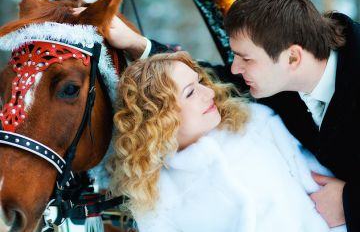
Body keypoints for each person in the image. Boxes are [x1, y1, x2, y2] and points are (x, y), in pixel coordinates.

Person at [107, 51, 346, 232]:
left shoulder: (258, 125)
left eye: (200, 82)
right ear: (159, 118)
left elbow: (330, 204)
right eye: (190, 92)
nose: (209, 93)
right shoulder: (156, 199)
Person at [223, 0, 360, 232]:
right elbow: (219, 79)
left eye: (246, 58)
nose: (235, 67)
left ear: (292, 57)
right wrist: (140, 46)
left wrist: (348, 204)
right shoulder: (281, 77)